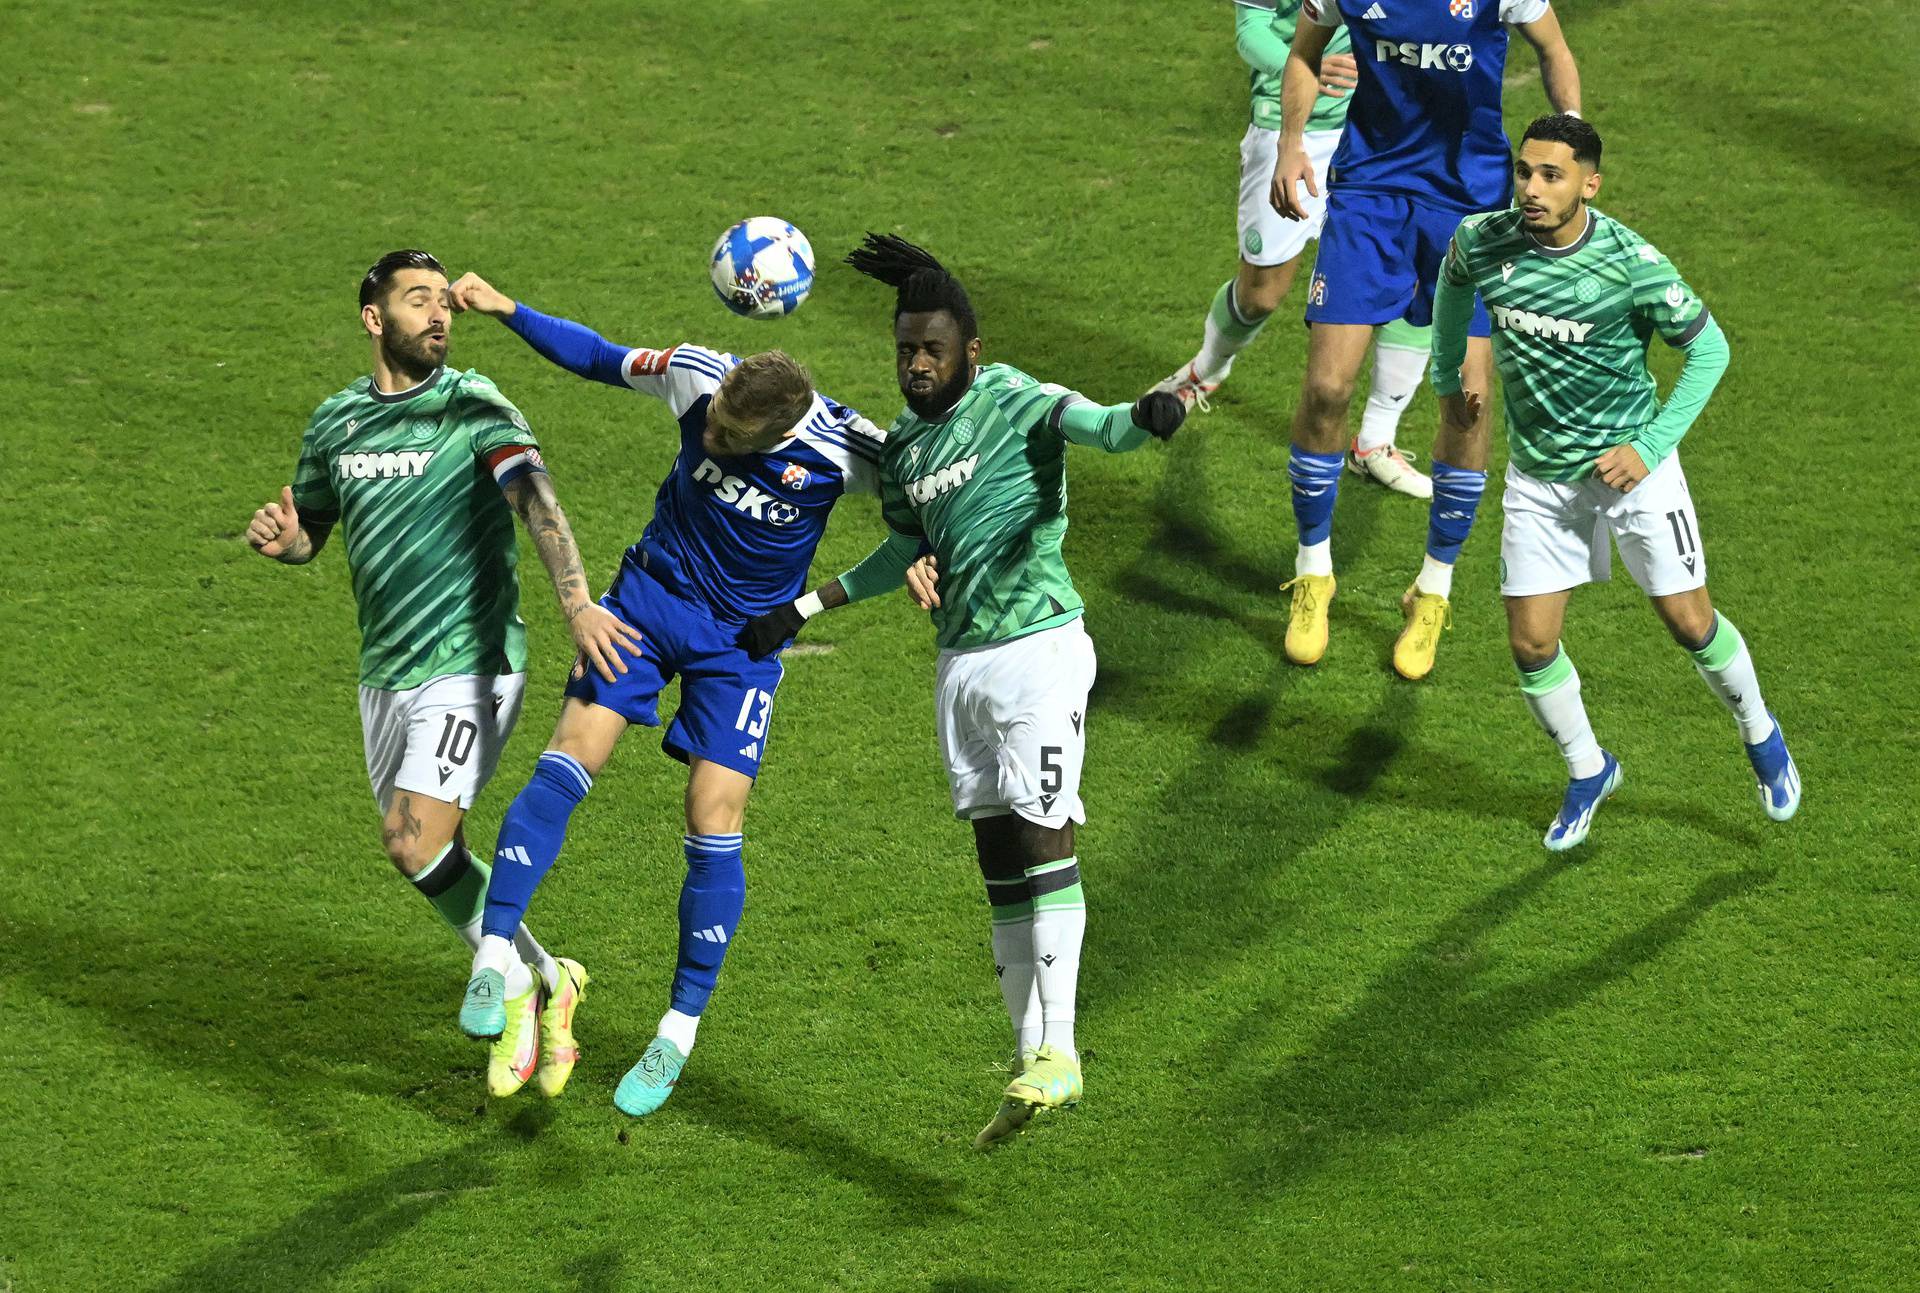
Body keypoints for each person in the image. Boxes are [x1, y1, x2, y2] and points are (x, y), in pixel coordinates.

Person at [741, 234, 1185, 1149]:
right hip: (961, 667)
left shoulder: (1017, 399)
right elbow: (905, 551)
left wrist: (1150, 414)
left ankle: (1062, 1049)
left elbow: (1103, 427)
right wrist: (804, 606)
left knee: (1043, 833)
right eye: (904, 348)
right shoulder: (903, 448)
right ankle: (1029, 1064)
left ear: (969, 351)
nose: (915, 364)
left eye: (932, 349)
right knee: (998, 865)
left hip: (1040, 651)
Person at [444, 271, 888, 1116]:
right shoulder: (695, 372)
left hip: (744, 642)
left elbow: (925, 506)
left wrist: (853, 588)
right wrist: (508, 308)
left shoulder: (845, 452)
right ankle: (494, 953)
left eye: (727, 435)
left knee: (713, 816)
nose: (709, 432)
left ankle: (675, 1032)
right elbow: (600, 357)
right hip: (649, 600)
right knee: (572, 753)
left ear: (780, 431)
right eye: (712, 417)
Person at [245, 249, 631, 1098]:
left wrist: (577, 605)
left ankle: (518, 985)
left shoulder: (472, 404)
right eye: (417, 301)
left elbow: (537, 501)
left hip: (472, 664)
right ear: (374, 319)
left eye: (442, 301)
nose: (439, 314)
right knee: (425, 852)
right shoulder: (336, 423)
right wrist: (288, 543)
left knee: (410, 838)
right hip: (384, 673)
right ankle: (548, 975)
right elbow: (313, 526)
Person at [1428, 115, 1800, 849]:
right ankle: (1588, 767)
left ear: (1589, 184)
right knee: (1531, 645)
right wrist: (1447, 378)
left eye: (1552, 176)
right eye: (1525, 172)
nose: (1531, 189)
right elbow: (1450, 287)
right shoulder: (1484, 238)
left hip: (1634, 475)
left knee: (1691, 624)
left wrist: (1649, 446)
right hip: (1541, 477)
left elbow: (1711, 350)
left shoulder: (1631, 263)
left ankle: (1759, 729)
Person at [1270, 0, 1582, 678]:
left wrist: (1572, 153)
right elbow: (1302, 52)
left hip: (1470, 207)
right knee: (1326, 388)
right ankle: (1313, 574)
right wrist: (1290, 144)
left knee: (1467, 400)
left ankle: (1434, 588)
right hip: (1370, 194)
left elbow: (1554, 51)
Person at [1154, 0, 1435, 499]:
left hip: (1381, 135)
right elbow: (1251, 31)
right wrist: (1299, 63)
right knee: (1261, 294)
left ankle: (1375, 440)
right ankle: (1204, 371)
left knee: (1407, 280)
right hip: (1292, 128)